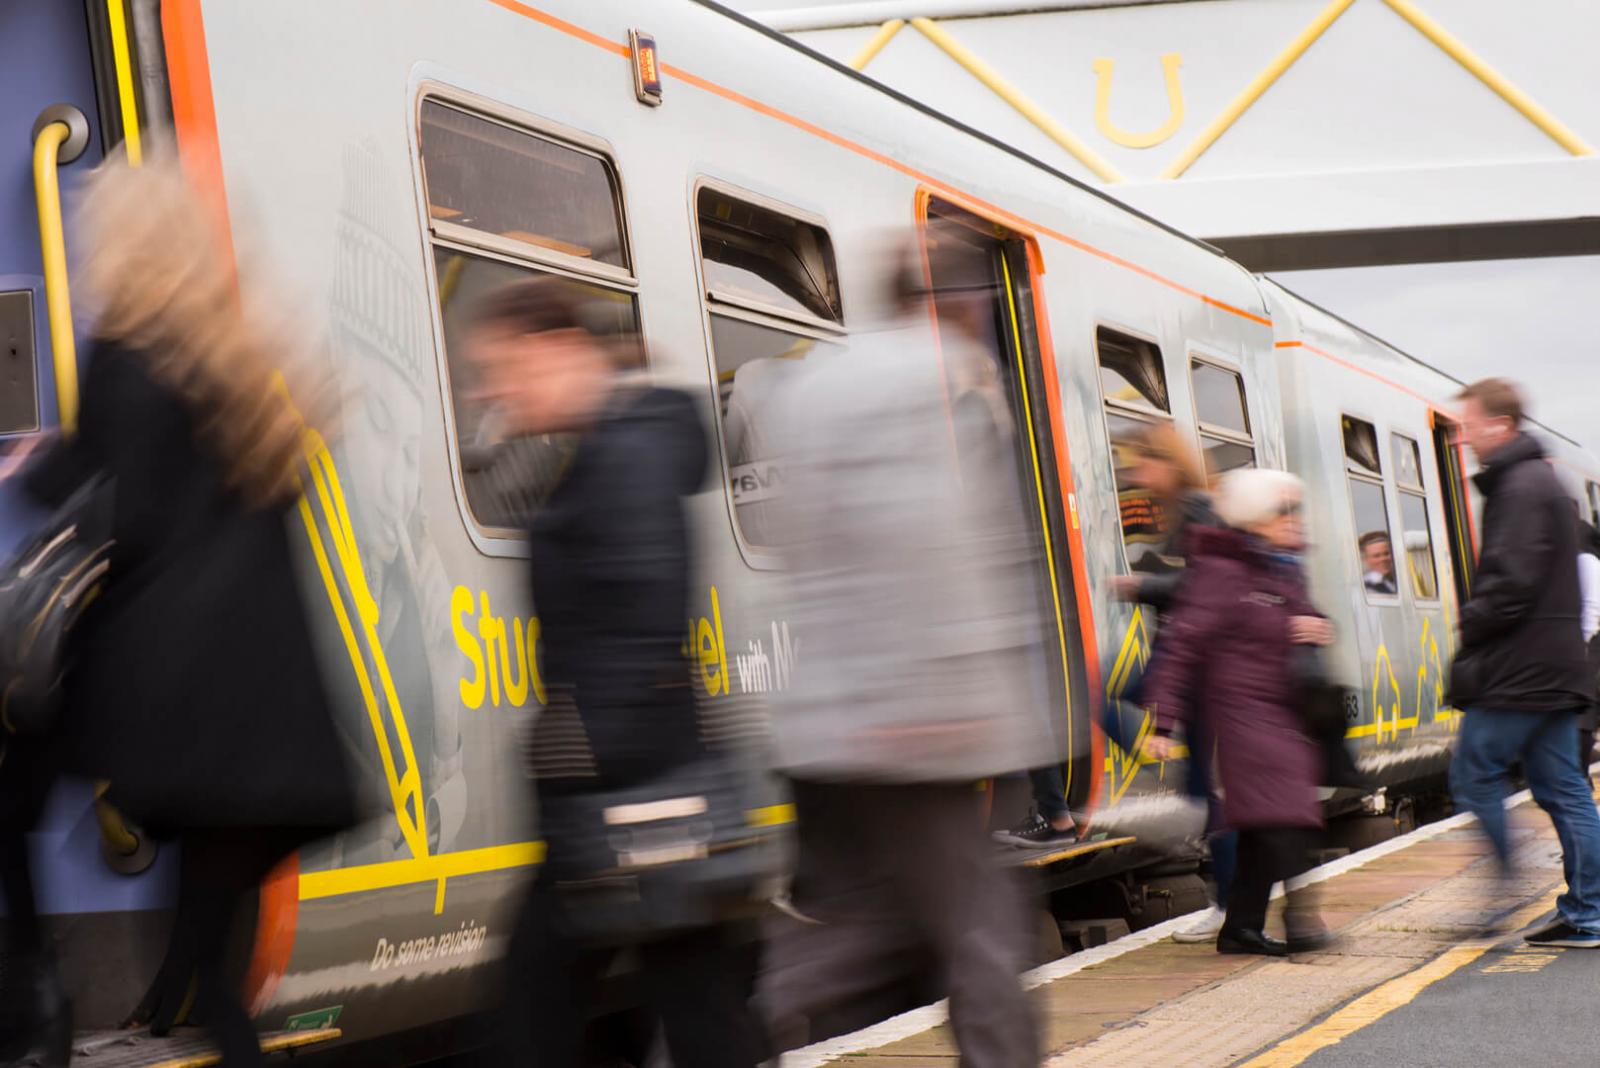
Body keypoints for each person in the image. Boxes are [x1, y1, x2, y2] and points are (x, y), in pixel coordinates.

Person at [13, 155, 360, 1065]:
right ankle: (62, 1012)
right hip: (266, 722)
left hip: (175, 708)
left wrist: (37, 467)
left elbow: (128, 515)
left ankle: (37, 1007)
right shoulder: (234, 365)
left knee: (13, 788)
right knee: (217, 983)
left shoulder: (127, 358)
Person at [759, 253, 1058, 1067]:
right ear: (953, 304)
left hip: (824, 722)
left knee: (857, 929)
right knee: (982, 928)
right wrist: (945, 700)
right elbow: (930, 542)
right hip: (911, 720)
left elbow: (791, 534)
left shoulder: (812, 385)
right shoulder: (934, 383)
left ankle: (723, 1042)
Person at [469, 279, 764, 1068]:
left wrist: (577, 749)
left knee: (539, 1008)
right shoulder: (609, 446)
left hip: (626, 788)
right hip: (641, 783)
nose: (494, 390)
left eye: (501, 367)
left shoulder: (622, 453)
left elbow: (641, 615)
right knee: (692, 1003)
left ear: (553, 349)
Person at [996, 424, 1217, 850]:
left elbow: (1205, 586)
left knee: (1085, 694)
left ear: (1168, 464)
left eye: (1141, 464)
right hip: (1184, 659)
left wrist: (1143, 586)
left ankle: (1230, 892)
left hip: (1189, 660)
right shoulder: (1183, 507)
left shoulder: (1195, 508)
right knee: (1200, 789)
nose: (1134, 476)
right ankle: (1177, 799)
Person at [1142, 468, 1334, 957]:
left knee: (1265, 827)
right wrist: (1161, 721)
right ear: (1255, 516)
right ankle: (1302, 919)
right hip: (1239, 716)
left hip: (1281, 712)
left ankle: (1241, 928)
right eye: (1283, 511)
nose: (1295, 520)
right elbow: (1181, 645)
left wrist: (1315, 627)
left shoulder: (1279, 566)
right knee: (1286, 820)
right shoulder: (1221, 572)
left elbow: (1304, 615)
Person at [1446, 378, 1600, 948]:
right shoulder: (1543, 481)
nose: (1462, 438)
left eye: (1467, 425)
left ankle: (1509, 885)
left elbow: (1512, 581)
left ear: (1499, 424)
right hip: (1554, 665)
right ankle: (1587, 913)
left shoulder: (1518, 485)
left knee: (1473, 772)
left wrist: (1472, 621)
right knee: (1563, 786)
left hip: (1521, 669)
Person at [1574, 509, 1600, 774]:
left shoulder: (1585, 560)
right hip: (1586, 646)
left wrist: (1580, 646)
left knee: (1583, 713)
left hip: (1587, 645)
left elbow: (1591, 607)